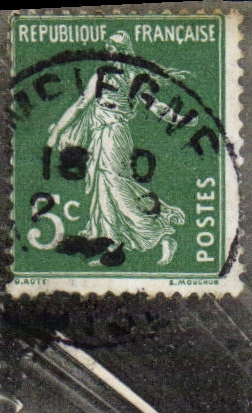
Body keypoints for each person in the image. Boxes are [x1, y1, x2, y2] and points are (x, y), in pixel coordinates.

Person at [46, 31, 188, 266]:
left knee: (115, 184)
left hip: (115, 134)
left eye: (115, 47)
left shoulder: (134, 77)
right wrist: (57, 131)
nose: (110, 51)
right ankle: (112, 247)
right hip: (98, 135)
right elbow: (81, 103)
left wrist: (179, 119)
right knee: (102, 188)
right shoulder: (101, 74)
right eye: (108, 46)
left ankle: (161, 234)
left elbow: (154, 105)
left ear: (125, 50)